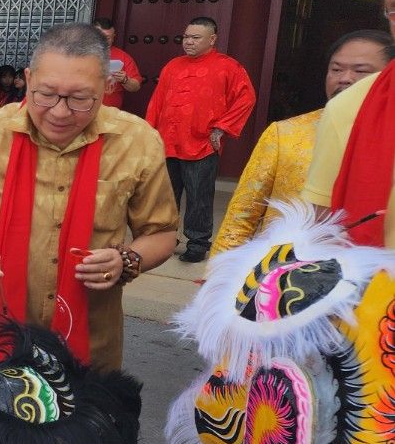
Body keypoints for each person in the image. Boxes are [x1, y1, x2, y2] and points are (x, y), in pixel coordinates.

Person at [0, 23, 179, 373]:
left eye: (80, 98)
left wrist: (127, 260)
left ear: (107, 86)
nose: (59, 111)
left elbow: (162, 233)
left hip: (90, 341)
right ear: (28, 77)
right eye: (45, 94)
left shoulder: (137, 142)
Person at [213, 30, 391, 258]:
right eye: (336, 69)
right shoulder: (285, 133)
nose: (345, 78)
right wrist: (216, 281)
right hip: (283, 277)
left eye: (361, 71)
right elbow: (241, 217)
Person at [303, 0, 395, 249]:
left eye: (360, 70)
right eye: (394, 10)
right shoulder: (350, 110)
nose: (345, 79)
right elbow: (321, 233)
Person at [144, 16, 256, 262]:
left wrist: (221, 128)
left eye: (195, 38)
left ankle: (197, 242)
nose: (188, 42)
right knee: (165, 195)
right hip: (168, 141)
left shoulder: (228, 66)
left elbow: (246, 98)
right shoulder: (172, 65)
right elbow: (157, 101)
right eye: (186, 37)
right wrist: (149, 133)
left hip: (201, 143)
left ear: (212, 39)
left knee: (199, 197)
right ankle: (165, 237)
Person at [93, 17, 144, 108]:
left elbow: (136, 86)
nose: (104, 40)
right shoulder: (79, 54)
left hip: (110, 111)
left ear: (113, 37)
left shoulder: (123, 57)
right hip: (84, 107)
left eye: (108, 37)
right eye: (101, 37)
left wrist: (125, 80)